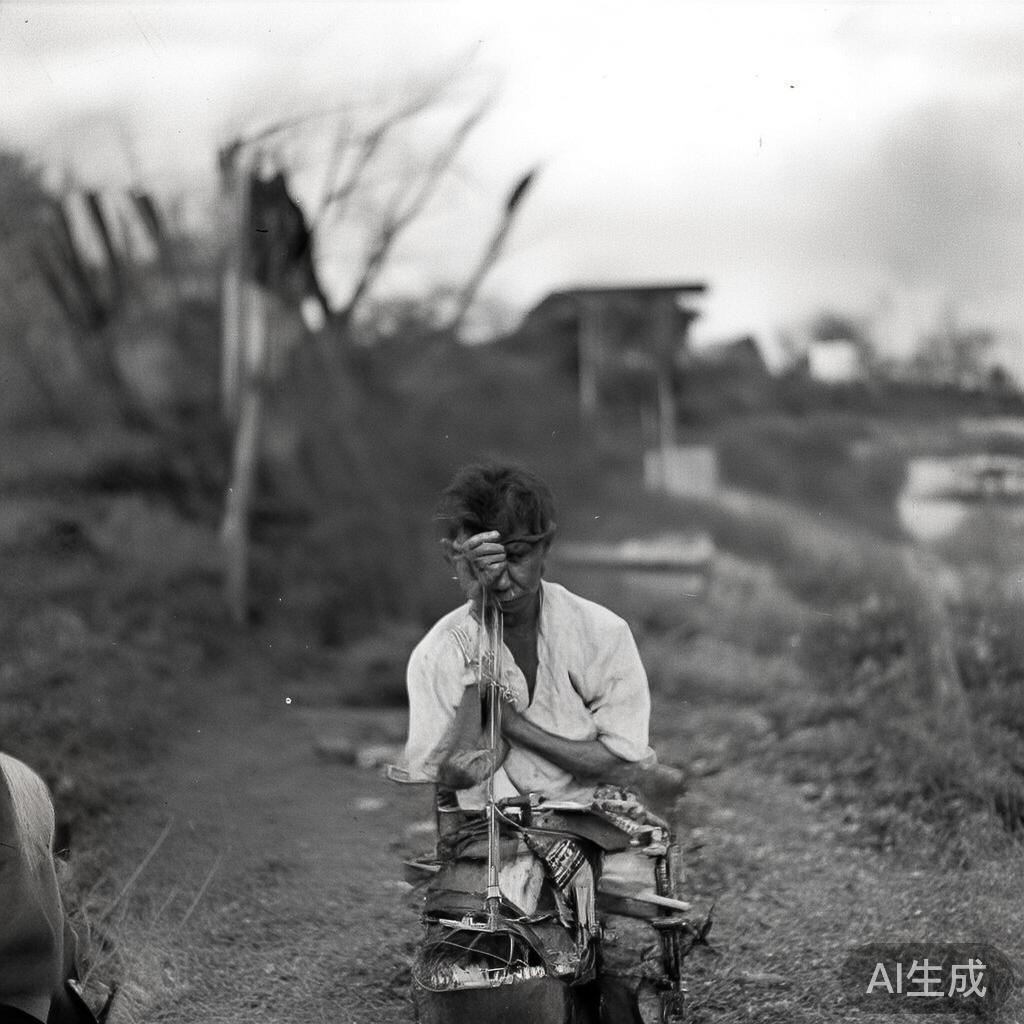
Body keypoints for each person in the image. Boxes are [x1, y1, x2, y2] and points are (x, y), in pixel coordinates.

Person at [403, 462, 680, 809]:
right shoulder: (435, 656)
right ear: (454, 559)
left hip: (595, 830)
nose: (500, 580)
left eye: (516, 557)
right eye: (480, 565)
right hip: (486, 842)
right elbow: (448, 774)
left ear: (544, 547)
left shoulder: (602, 634)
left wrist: (513, 727)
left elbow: (623, 764)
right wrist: (478, 618)